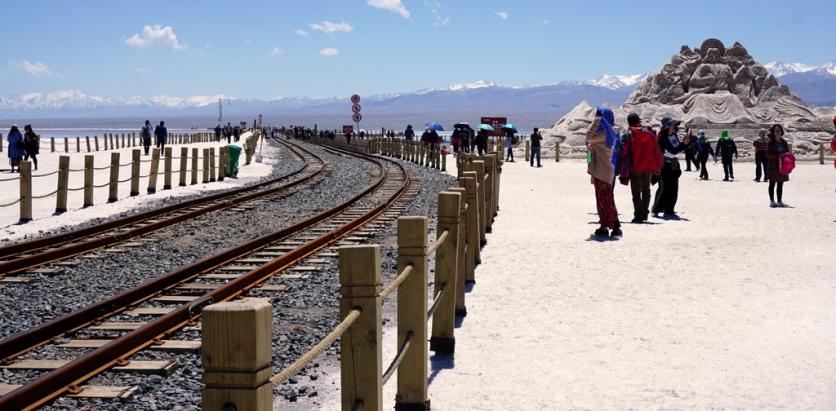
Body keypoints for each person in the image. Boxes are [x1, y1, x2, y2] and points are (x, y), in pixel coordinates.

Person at [586, 107, 622, 237]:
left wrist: (595, 123)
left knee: (604, 199)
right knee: (606, 199)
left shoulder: (603, 134)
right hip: (605, 170)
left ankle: (610, 226)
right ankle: (610, 225)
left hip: (602, 171)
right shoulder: (609, 132)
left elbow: (588, 137)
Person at [621, 113, 663, 223]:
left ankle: (638, 215)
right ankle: (645, 213)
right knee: (646, 190)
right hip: (648, 166)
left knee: (636, 192)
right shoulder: (648, 132)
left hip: (635, 166)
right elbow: (656, 149)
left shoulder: (628, 133)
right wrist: (657, 165)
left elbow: (624, 150)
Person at [651, 117, 688, 219]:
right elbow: (673, 150)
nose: (674, 127)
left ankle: (669, 209)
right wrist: (683, 144)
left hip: (674, 165)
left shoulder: (674, 136)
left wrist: (685, 144)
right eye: (672, 125)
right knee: (664, 188)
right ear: (667, 127)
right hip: (665, 165)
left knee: (674, 188)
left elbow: (678, 148)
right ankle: (656, 209)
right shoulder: (663, 138)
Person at [766, 124, 790, 207]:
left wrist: (788, 157)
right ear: (773, 132)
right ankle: (772, 201)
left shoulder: (784, 142)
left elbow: (787, 152)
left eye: (779, 130)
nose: (777, 132)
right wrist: (778, 157)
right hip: (773, 165)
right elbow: (768, 154)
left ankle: (779, 201)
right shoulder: (770, 142)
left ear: (781, 131)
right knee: (772, 183)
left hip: (782, 166)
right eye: (775, 130)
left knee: (780, 184)